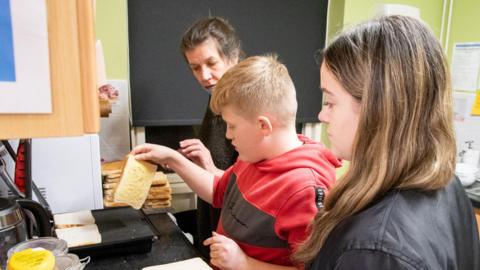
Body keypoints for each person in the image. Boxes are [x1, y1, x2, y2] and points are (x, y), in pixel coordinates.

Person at [294, 15, 480, 269]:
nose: (322, 116)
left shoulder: (376, 251)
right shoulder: (446, 183)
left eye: (330, 102)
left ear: (377, 109)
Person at [132, 55, 340, 269]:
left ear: (263, 126)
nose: (228, 135)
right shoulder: (252, 159)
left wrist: (245, 264)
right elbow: (218, 191)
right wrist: (172, 158)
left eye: (231, 126)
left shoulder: (303, 190)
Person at [177, 17, 241, 258]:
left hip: (235, 245)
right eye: (195, 67)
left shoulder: (249, 104)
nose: (204, 75)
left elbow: (254, 190)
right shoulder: (216, 99)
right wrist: (198, 161)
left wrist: (208, 164)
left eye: (211, 63)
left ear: (233, 57)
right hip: (212, 230)